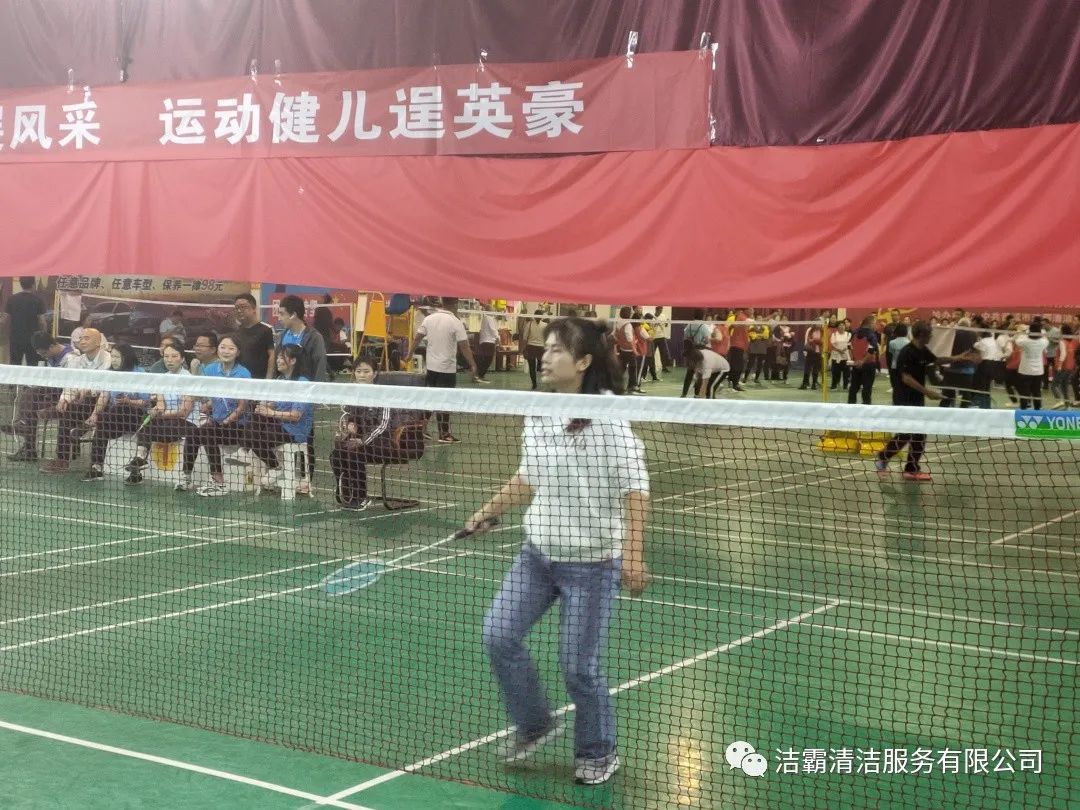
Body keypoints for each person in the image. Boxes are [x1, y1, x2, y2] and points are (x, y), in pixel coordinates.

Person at [466, 317, 649, 786]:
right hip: (538, 555)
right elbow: (529, 477)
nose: (544, 357)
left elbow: (636, 490)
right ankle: (535, 724)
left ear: (583, 362)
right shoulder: (539, 412)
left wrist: (633, 554)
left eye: (556, 350)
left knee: (578, 668)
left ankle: (598, 751)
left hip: (592, 564)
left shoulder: (610, 420)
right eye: (544, 349)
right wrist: (487, 512)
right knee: (498, 635)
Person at [875, 321, 978, 482]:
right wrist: (928, 392)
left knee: (919, 433)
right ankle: (884, 458)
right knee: (906, 433)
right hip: (904, 397)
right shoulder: (907, 352)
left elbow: (936, 360)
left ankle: (910, 468)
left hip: (917, 398)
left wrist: (958, 358)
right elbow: (906, 378)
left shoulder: (922, 350)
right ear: (922, 335)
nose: (931, 337)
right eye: (929, 334)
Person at [329, 357, 424, 510]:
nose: (362, 375)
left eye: (366, 371)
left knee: (355, 453)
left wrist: (363, 441)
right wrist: (349, 425)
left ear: (374, 374)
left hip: (385, 442)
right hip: (361, 441)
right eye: (358, 371)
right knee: (337, 454)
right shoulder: (353, 395)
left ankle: (360, 497)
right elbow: (348, 415)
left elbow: (383, 425)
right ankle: (347, 492)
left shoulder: (383, 394)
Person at [179, 335, 252, 496]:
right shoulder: (211, 370)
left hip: (238, 427)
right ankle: (186, 476)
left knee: (207, 431)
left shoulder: (243, 373)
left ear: (238, 352)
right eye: (223, 347)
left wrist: (226, 421)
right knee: (193, 434)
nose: (226, 351)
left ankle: (219, 482)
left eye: (231, 348)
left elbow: (242, 406)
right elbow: (203, 394)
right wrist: (207, 404)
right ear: (218, 350)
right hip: (217, 424)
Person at [122, 343, 198, 484]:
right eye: (166, 356)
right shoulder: (162, 378)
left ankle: (185, 476)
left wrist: (161, 414)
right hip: (168, 422)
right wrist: (154, 411)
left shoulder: (189, 380)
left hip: (187, 424)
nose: (169, 360)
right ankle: (139, 461)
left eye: (174, 356)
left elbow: (183, 412)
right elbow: (161, 405)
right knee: (146, 419)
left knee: (158, 425)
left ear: (182, 359)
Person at [243, 344, 315, 491]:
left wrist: (270, 413)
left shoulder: (302, 383)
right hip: (280, 423)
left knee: (259, 438)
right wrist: (265, 406)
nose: (278, 360)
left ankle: (275, 466)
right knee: (254, 425)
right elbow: (276, 403)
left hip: (295, 430)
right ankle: (249, 449)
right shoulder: (281, 379)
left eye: (282, 357)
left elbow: (296, 416)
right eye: (278, 357)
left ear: (293, 361)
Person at [40, 329, 111, 474]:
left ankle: (83, 427)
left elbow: (106, 386)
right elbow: (71, 383)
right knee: (66, 412)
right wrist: (64, 399)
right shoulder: (79, 360)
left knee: (83, 403)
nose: (82, 341)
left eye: (87, 338)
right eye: (81, 338)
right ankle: (62, 460)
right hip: (83, 402)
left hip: (103, 402)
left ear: (98, 342)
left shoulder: (107, 359)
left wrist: (88, 389)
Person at [3, 332, 78, 461]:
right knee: (29, 394)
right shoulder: (51, 356)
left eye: (43, 353)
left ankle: (28, 444)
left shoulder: (71, 358)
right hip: (53, 393)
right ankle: (26, 435)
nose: (43, 356)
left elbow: (72, 385)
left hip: (68, 398)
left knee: (31, 401)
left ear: (51, 347)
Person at [413, 297, 478, 443]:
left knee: (431, 399)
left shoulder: (429, 319)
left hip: (431, 368)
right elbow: (464, 346)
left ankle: (420, 429)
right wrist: (473, 364)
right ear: (455, 304)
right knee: (445, 401)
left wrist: (409, 354)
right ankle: (444, 434)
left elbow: (417, 338)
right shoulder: (455, 322)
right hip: (447, 370)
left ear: (442, 302)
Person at [81, 344, 149, 482]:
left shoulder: (140, 373)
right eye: (112, 356)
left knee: (117, 411)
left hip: (137, 417)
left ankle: (137, 469)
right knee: (102, 425)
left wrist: (128, 401)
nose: (114, 360)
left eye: (117, 357)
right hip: (117, 419)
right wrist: (94, 414)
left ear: (127, 357)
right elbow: (104, 396)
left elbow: (145, 402)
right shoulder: (110, 374)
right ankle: (96, 468)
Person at [274, 295, 329, 381]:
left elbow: (320, 369)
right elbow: (276, 367)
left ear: (293, 315)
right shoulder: (282, 336)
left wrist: (317, 388)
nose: (279, 318)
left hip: (307, 387)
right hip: (284, 387)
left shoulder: (314, 338)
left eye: (282, 314)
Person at [2, 277, 46, 366]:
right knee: (32, 364)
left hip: (15, 337)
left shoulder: (12, 299)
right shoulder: (37, 300)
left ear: (21, 284)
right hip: (32, 338)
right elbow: (42, 321)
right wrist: (43, 334)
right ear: (33, 284)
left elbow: (4, 319)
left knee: (15, 363)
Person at [233, 293, 274, 380]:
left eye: (243, 307)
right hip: (239, 379)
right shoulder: (237, 331)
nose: (239, 311)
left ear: (254, 309)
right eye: (237, 308)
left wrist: (268, 379)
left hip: (259, 379)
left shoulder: (266, 330)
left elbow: (272, 355)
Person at [1014, 320, 1049, 410]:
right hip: (1038, 371)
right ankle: (1037, 411)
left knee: (1024, 392)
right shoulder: (1043, 342)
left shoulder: (1025, 341)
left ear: (1030, 331)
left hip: (1025, 370)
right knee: (1037, 392)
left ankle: (1023, 410)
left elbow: (1017, 340)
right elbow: (1044, 336)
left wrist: (1023, 330)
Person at [847, 315, 881, 405]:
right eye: (875, 323)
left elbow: (849, 346)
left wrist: (854, 359)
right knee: (867, 388)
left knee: (853, 387)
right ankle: (866, 406)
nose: (875, 326)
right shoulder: (871, 335)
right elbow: (871, 350)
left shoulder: (854, 332)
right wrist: (862, 361)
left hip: (856, 364)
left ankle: (850, 405)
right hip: (868, 364)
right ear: (870, 323)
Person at [519, 309, 546, 390]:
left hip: (531, 347)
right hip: (541, 348)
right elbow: (547, 337)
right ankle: (539, 379)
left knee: (531, 367)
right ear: (542, 316)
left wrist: (523, 349)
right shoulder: (545, 325)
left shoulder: (529, 324)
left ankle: (534, 384)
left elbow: (525, 338)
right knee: (540, 365)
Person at [1051, 324, 1077, 408]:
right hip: (1071, 366)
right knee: (1064, 386)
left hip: (1063, 367)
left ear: (1063, 331)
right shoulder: (1073, 341)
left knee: (1054, 385)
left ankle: (1059, 401)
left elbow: (1063, 354)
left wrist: (1059, 365)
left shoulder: (1062, 341)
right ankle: (1067, 405)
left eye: (1060, 330)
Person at [799, 320, 824, 390]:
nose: (818, 325)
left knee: (816, 370)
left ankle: (814, 384)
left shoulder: (823, 331)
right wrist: (805, 350)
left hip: (818, 352)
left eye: (819, 323)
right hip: (810, 351)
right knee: (807, 369)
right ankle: (805, 383)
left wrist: (814, 340)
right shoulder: (810, 330)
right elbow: (808, 340)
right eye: (817, 323)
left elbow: (822, 341)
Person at [475, 309, 499, 383]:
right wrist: (498, 337)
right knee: (488, 360)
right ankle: (480, 375)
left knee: (484, 360)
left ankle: (479, 375)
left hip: (484, 341)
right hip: (489, 342)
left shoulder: (484, 318)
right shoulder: (489, 318)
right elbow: (493, 329)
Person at [887, 323, 911, 394]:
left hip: (895, 365)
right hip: (906, 365)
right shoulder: (909, 342)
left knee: (896, 383)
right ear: (906, 332)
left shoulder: (892, 342)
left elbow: (891, 353)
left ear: (896, 332)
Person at [829, 320, 852, 390]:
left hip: (845, 355)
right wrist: (839, 350)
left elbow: (850, 344)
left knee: (846, 372)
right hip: (836, 356)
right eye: (840, 325)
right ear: (837, 327)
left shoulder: (848, 334)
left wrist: (844, 349)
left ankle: (845, 386)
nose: (841, 326)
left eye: (843, 325)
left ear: (845, 326)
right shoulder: (834, 334)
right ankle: (834, 385)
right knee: (835, 372)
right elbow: (832, 345)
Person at [652, 306, 672, 372]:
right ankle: (651, 368)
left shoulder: (663, 316)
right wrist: (656, 324)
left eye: (661, 311)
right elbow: (650, 327)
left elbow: (666, 325)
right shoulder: (652, 317)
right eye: (659, 311)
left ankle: (664, 367)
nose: (660, 312)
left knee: (663, 353)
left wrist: (667, 322)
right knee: (652, 353)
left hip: (661, 337)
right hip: (654, 337)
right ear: (656, 310)